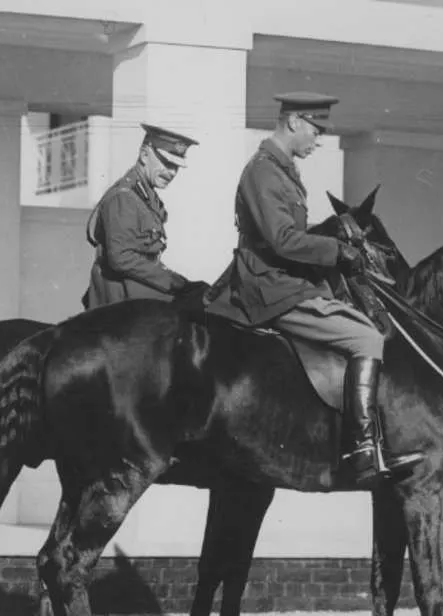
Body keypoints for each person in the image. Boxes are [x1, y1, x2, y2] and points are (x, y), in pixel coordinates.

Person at [218, 92, 423, 486]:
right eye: (316, 129)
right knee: (366, 338)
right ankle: (362, 451)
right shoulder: (263, 172)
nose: (318, 139)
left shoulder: (281, 169)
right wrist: (337, 250)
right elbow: (281, 240)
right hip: (270, 286)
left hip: (284, 281)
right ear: (293, 122)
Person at [82, 123, 211, 312]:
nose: (172, 172)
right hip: (121, 299)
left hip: (137, 289)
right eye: (167, 163)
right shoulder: (124, 197)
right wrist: (174, 281)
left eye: (176, 166)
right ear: (144, 155)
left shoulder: (145, 195)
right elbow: (122, 258)